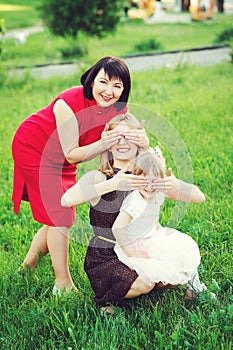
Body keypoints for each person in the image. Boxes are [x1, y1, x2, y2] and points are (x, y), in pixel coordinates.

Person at [12, 56, 142, 295]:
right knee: (61, 216)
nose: (109, 91)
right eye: (103, 82)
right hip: (35, 148)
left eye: (117, 86)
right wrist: (104, 144)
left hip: (61, 159)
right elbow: (72, 154)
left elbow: (121, 147)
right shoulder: (69, 103)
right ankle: (63, 284)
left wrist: (141, 143)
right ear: (92, 81)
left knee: (58, 212)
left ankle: (29, 263)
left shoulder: (119, 110)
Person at [62, 113, 176, 314]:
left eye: (130, 137)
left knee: (170, 278)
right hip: (107, 253)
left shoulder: (144, 171)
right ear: (108, 142)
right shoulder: (101, 176)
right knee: (145, 284)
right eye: (117, 137)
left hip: (137, 244)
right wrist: (112, 184)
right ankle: (108, 300)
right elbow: (66, 199)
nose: (123, 142)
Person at [112, 148, 211, 300]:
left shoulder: (158, 193)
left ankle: (194, 288)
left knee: (183, 247)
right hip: (135, 244)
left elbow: (199, 197)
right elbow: (117, 227)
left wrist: (178, 183)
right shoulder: (135, 201)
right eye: (144, 180)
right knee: (160, 266)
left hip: (153, 235)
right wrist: (132, 252)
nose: (150, 186)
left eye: (155, 181)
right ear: (135, 178)